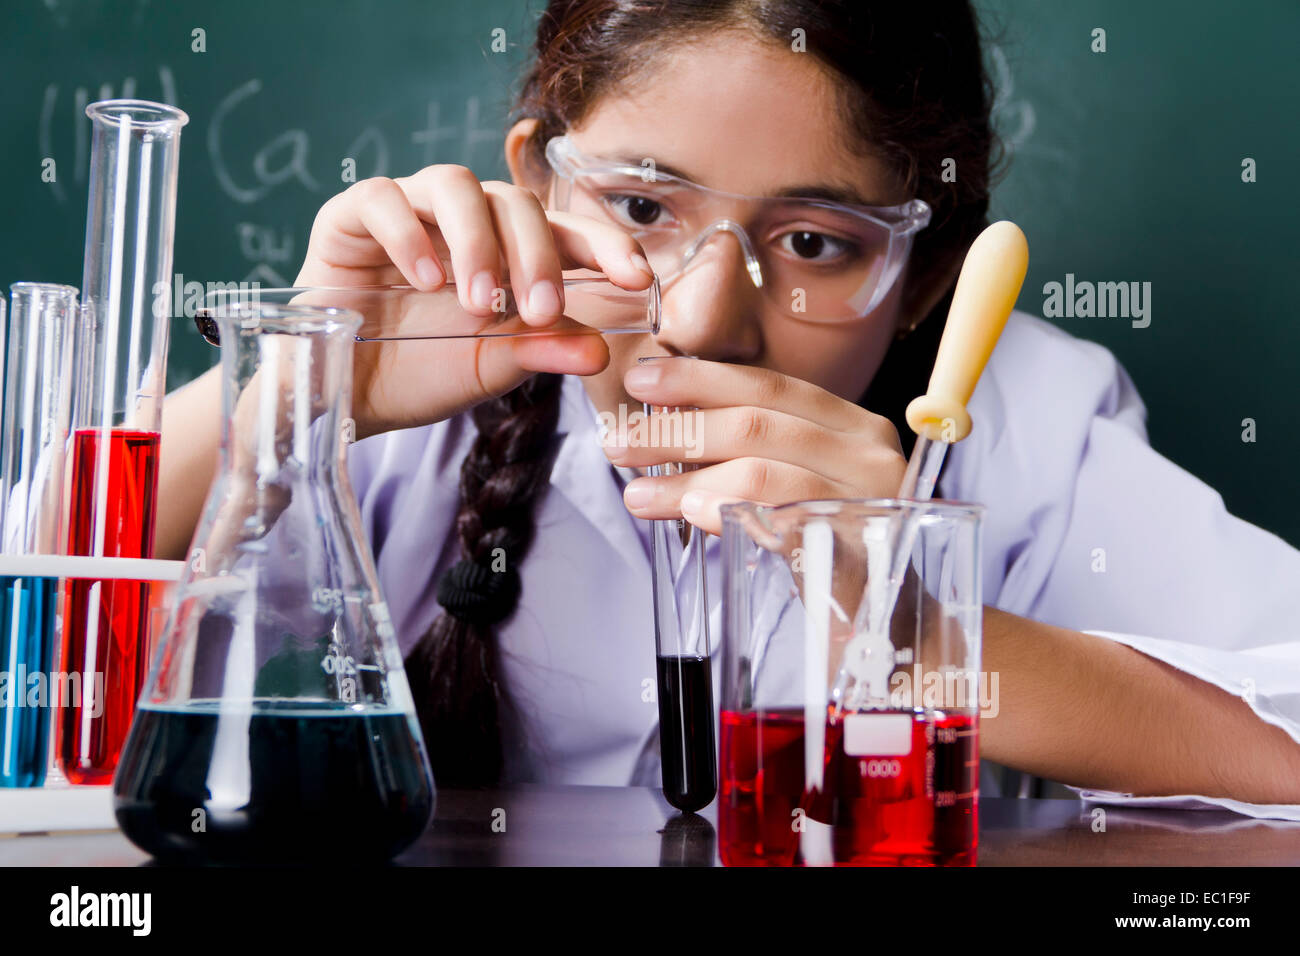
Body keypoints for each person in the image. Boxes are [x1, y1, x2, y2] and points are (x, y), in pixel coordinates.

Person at [157, 0, 1300, 812]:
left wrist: (921, 629)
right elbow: (42, 640)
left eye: (810, 242)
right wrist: (290, 391)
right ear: (540, 181)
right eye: (642, 208)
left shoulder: (1025, 418)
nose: (703, 319)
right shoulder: (426, 371)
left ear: (929, 279)